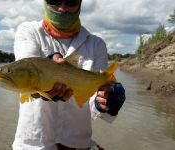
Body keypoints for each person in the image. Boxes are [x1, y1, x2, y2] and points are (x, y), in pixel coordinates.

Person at [13, 0, 125, 150]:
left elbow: (91, 99)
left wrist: (103, 102)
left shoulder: (96, 44)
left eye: (71, 1)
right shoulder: (28, 31)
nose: (62, 8)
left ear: (80, 4)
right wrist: (45, 72)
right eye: (54, 0)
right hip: (33, 143)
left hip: (78, 143)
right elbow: (25, 71)